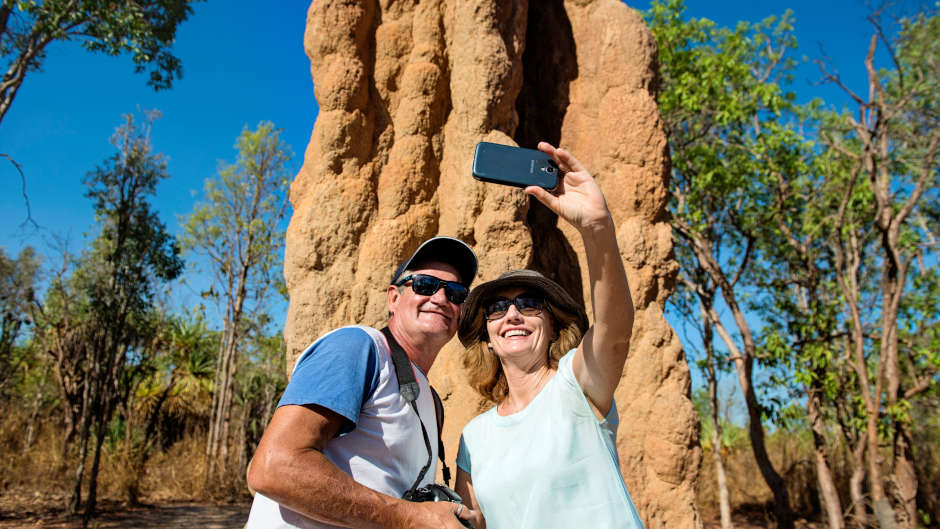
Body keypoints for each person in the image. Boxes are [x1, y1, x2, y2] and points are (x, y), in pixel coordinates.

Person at [453, 142, 645, 529]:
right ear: (487, 335)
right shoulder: (474, 437)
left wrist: (596, 226)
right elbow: (472, 523)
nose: (511, 315)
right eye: (496, 308)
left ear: (552, 323)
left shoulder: (577, 387)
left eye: (528, 304)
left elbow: (615, 328)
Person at [246, 236, 483, 529]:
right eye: (425, 285)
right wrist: (411, 518)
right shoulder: (359, 346)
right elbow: (274, 467)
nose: (440, 298)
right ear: (393, 298)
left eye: (456, 293)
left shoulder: (432, 402)